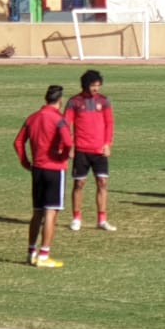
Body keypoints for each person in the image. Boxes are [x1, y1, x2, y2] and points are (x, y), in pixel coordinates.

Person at [14, 85, 73, 269]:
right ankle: (44, 254)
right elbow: (68, 142)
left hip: (37, 170)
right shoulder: (58, 119)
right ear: (60, 100)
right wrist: (63, 157)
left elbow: (18, 142)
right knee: (51, 212)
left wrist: (25, 162)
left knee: (37, 213)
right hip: (54, 169)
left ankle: (31, 252)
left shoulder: (32, 118)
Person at [65, 69, 116, 231]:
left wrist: (107, 143)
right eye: (94, 85)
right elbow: (66, 125)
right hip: (81, 149)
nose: (96, 89)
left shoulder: (104, 101)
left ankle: (102, 219)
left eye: (98, 86)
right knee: (79, 183)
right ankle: (76, 218)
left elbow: (109, 124)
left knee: (102, 182)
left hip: (99, 150)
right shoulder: (74, 102)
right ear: (86, 85)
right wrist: (70, 146)